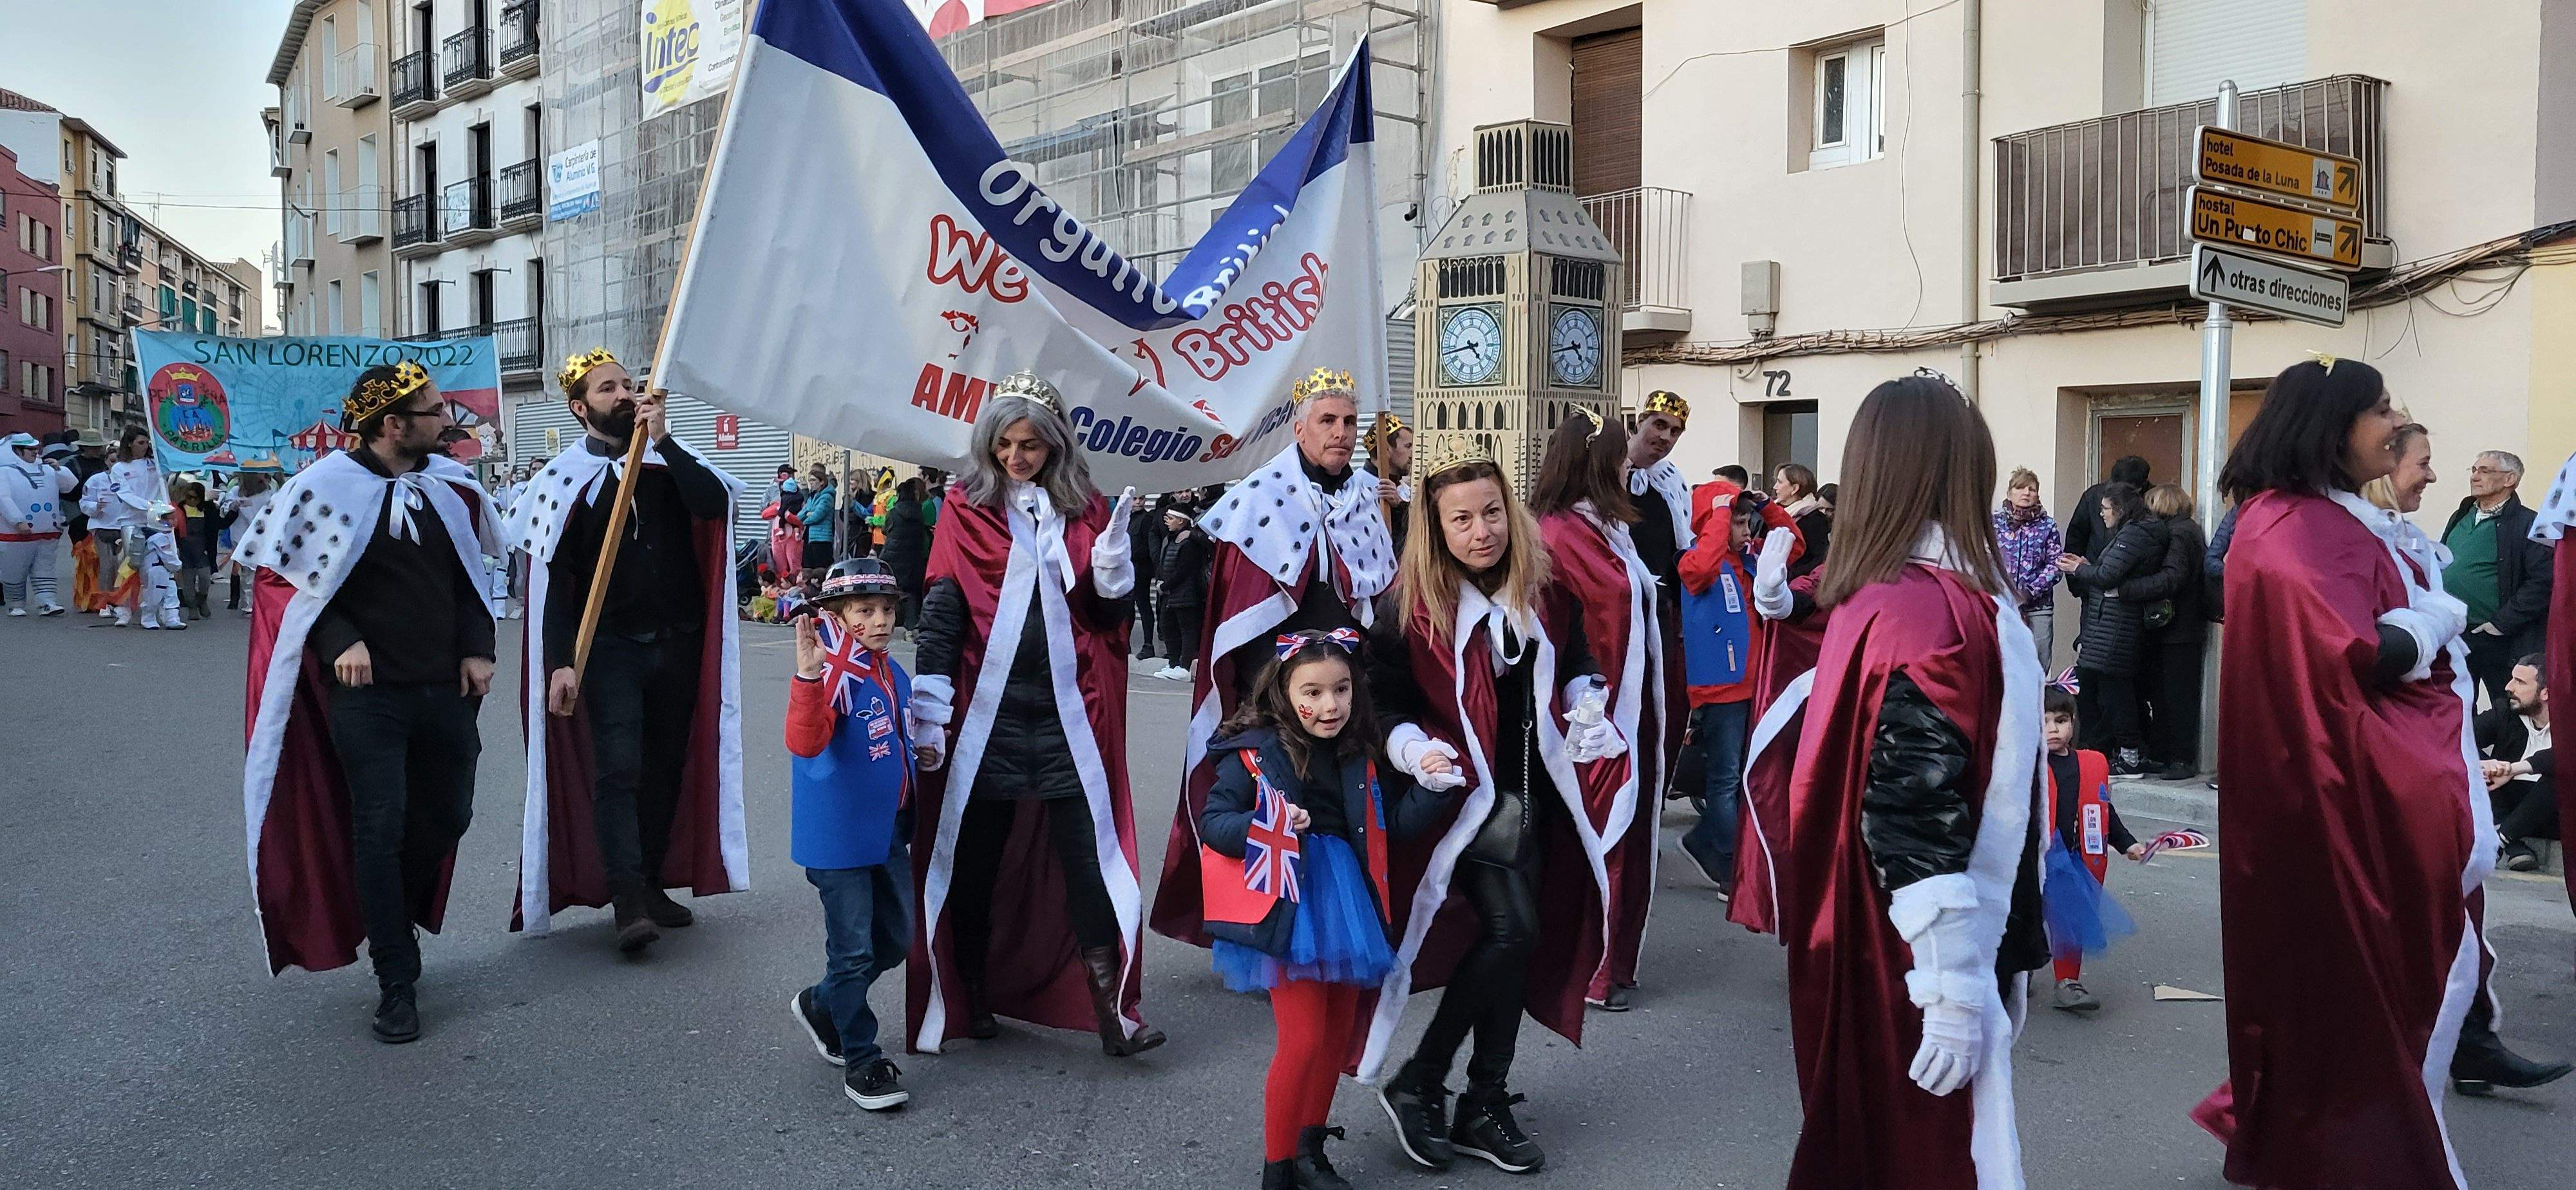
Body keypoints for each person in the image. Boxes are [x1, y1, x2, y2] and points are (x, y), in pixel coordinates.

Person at [2188, 356, 2493, 1190]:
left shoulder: (2325, 520)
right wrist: (2434, 616)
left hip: (2344, 796)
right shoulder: (2294, 530)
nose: (2396, 426)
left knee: (2353, 1007)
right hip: (2337, 808)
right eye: (2380, 410)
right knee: (2361, 1006)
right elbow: (2362, 655)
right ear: (2333, 425)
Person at [1775, 373, 2040, 1190]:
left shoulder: (1891, 593)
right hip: (1911, 951)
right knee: (1921, 1157)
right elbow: (1909, 809)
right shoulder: (1929, 609)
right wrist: (1953, 988)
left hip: (1874, 932)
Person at [1365, 443, 1620, 1177]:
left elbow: (1573, 659)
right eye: (1461, 519)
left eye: (1490, 513)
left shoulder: (1544, 588)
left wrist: (1584, 698)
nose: (1481, 531)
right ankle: (1424, 1079)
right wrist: (1411, 747)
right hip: (1457, 802)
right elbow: (1379, 698)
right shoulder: (1408, 605)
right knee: (1513, 931)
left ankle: (1481, 1100)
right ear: (1434, 528)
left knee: (1520, 944)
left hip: (1534, 794)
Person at [233, 361, 503, 1041]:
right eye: (436, 411)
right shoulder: (323, 488)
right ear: (393, 425)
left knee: (448, 814)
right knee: (376, 828)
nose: (450, 421)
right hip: (367, 697)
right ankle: (396, 977)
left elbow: (472, 577)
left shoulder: (451, 487)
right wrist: (339, 638)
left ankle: (390, 910)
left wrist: (479, 646)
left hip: (444, 690)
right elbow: (286, 581)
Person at [905, 370, 1160, 1057]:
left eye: (1031, 446)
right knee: (976, 859)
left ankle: (1110, 1010)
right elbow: (942, 607)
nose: (1016, 458)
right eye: (1005, 445)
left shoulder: (1087, 511)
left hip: (1067, 713)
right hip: (986, 716)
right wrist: (930, 700)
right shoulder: (965, 506)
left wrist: (1113, 580)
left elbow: (1108, 626)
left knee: (1088, 859)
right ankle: (975, 995)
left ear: (1056, 447)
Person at [510, 348, 749, 950]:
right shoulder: (561, 482)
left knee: (667, 765)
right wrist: (561, 660)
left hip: (676, 641)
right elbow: (553, 585)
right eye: (609, 388)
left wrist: (665, 442)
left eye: (629, 384)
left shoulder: (667, 463)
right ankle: (625, 899)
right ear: (579, 407)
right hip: (608, 647)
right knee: (619, 768)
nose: (625, 394)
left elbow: (715, 506)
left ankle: (649, 881)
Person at [1150, 368, 1397, 949]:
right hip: (1277, 694)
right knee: (1282, 809)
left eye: (1349, 422)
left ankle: (1343, 924)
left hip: (1345, 688)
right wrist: (1274, 694)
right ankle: (1267, 930)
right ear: (1300, 427)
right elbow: (1240, 610)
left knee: (1347, 809)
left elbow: (1375, 597)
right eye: (1328, 421)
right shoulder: (1263, 495)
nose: (1341, 433)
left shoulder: (1366, 496)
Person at [1198, 630, 1449, 1189]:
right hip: (1292, 902)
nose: (1329, 705)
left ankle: (1310, 1150)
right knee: (1305, 1038)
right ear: (1284, 692)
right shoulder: (1256, 750)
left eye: (1340, 690)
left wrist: (1434, 786)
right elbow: (1215, 822)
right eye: (1312, 692)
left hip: (1348, 901)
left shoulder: (1360, 751)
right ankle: (1278, 1167)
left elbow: (1395, 828)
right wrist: (1268, 827)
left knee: (1335, 1037)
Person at [1530, 409, 1674, 1013]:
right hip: (1591, 714)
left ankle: (1609, 961)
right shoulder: (1564, 531)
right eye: (1618, 455)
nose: (1628, 463)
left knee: (1627, 833)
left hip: (1624, 704)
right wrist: (1588, 703)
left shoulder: (1604, 526)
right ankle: (1587, 967)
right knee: (1600, 836)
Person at [782, 558, 920, 1112]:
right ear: (838, 615)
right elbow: (806, 741)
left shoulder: (891, 670)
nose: (881, 620)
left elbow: (895, 734)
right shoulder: (836, 669)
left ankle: (821, 1004)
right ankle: (861, 1058)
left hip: (886, 829)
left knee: (897, 939)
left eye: (887, 609)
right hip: (839, 836)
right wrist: (808, 678)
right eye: (865, 610)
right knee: (854, 949)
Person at [1674, 477, 1801, 898]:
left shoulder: (1748, 561)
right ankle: (1734, 870)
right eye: (1740, 523)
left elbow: (1793, 546)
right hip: (1721, 691)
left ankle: (1708, 845)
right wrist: (1722, 512)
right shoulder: (1697, 561)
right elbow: (1701, 567)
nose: (1749, 531)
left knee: (1742, 779)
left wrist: (1769, 510)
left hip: (1752, 685)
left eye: (1750, 523)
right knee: (1726, 783)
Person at [2036, 681, 2142, 1013]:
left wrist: (2127, 844)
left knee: (2070, 920)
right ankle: (2016, 973)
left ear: (2073, 723)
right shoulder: (2024, 764)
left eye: (2061, 721)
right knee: (2023, 919)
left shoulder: (2088, 764)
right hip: (2032, 859)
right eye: (2044, 721)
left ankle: (2068, 982)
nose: (2053, 729)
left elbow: (2103, 811)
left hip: (2071, 860)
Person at [2059, 482, 2161, 774]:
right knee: (2107, 690)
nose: (2101, 515)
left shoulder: (2135, 534)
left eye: (2104, 509)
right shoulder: (2133, 533)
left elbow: (2107, 575)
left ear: (2119, 508)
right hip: (2110, 625)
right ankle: (2115, 751)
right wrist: (2087, 563)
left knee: (2116, 692)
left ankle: (2130, 756)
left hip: (2118, 628)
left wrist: (2078, 569)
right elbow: (2108, 571)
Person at [2441, 449, 2553, 708]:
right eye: (2474, 470)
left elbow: (2542, 582)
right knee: (2455, 706)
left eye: (2485, 471)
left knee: (2507, 709)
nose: (2475, 477)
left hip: (2498, 637)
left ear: (2510, 479)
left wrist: (2500, 624)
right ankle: (2466, 751)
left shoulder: (2529, 524)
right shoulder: (2462, 515)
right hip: (2455, 633)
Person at [2121, 484, 2210, 780]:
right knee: (2166, 693)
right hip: (2181, 626)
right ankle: (2165, 755)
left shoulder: (2178, 534)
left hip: (2178, 627)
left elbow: (2172, 578)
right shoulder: (2187, 530)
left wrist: (2126, 590)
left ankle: (2179, 758)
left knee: (2174, 696)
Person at [2478, 656, 2557, 872]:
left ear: (2546, 692)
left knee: (2562, 775)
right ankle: (2509, 842)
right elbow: (2460, 739)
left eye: (2520, 682)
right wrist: (2486, 764)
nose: (2509, 687)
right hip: (2507, 808)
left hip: (2554, 816)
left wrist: (2514, 769)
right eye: (2512, 679)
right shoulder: (2505, 712)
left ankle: (2501, 838)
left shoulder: (2569, 719)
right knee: (2476, 768)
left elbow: (2562, 757)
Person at [1, 431, 77, 616]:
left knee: (45, 568)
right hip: (17, 534)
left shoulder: (49, 469)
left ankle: (47, 602)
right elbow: (4, 499)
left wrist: (60, 469)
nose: (35, 452)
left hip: (48, 530)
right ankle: (16, 603)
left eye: (36, 448)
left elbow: (70, 486)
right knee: (15, 569)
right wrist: (18, 521)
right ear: (17, 451)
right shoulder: (5, 472)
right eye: (30, 449)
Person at [1993, 468, 2061, 666]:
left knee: (2038, 664)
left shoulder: (2048, 526)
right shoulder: (1994, 524)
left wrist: (2029, 592)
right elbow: (1983, 560)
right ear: (2009, 493)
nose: (2026, 493)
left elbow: (2055, 566)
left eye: (2031, 489)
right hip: (2001, 605)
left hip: (2039, 608)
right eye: (2020, 488)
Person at [107, 427, 164, 625]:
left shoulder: (156, 464)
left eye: (147, 443)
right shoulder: (119, 468)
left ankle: (156, 609)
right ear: (129, 443)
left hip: (157, 518)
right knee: (130, 565)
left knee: (159, 566)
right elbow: (124, 495)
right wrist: (148, 506)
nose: (145, 446)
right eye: (140, 443)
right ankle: (123, 609)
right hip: (131, 520)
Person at [1155, 503, 1208, 681]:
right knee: (1168, 628)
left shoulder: (1190, 543)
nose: (1167, 522)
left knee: (1187, 631)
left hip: (1186, 594)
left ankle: (1185, 667)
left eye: (1170, 519)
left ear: (1181, 520)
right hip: (1171, 595)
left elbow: (1184, 571)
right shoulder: (1170, 539)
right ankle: (1173, 663)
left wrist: (1165, 586)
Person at [2065, 455, 2148, 561]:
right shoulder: (2094, 496)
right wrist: (2075, 573)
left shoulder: (2151, 499)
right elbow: (2076, 536)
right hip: (2094, 566)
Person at [174, 480, 231, 619]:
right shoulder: (179, 510)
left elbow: (220, 524)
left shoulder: (208, 509)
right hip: (185, 551)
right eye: (188, 497)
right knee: (188, 583)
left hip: (203, 551)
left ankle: (202, 600)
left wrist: (233, 512)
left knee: (205, 580)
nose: (191, 500)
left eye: (195, 497)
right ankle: (192, 607)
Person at [880, 477, 931, 627]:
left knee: (892, 590)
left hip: (893, 557)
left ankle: (892, 623)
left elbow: (885, 530)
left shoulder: (894, 512)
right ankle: (912, 625)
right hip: (914, 558)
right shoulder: (919, 513)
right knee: (912, 593)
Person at [222, 473, 276, 614]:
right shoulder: (236, 492)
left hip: (262, 535)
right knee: (247, 570)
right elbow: (226, 508)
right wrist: (233, 506)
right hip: (242, 536)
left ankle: (258, 601)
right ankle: (248, 602)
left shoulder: (268, 492)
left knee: (260, 570)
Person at [1365, 411, 1414, 554]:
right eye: (1408, 446)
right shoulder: (1360, 486)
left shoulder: (1404, 488)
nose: (1413, 453)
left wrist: (1400, 505)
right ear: (1386, 450)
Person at [1773, 463, 1832, 580]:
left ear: (1795, 488)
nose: (1775, 487)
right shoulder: (1773, 513)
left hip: (1795, 586)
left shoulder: (1814, 520)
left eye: (1779, 482)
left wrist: (1789, 574)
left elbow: (1820, 558)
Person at [136, 498, 187, 631]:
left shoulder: (160, 535)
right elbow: (168, 557)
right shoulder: (158, 538)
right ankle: (148, 618)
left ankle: (172, 618)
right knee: (154, 595)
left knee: (171, 594)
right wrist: (177, 565)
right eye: (169, 519)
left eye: (173, 518)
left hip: (163, 572)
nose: (173, 522)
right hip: (156, 572)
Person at [1130, 489, 1166, 662]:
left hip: (1141, 568)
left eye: (1141, 499)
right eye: (1135, 499)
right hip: (1129, 568)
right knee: (1129, 607)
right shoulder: (1127, 519)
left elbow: (1148, 546)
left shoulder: (1146, 519)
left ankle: (1148, 644)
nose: (1138, 502)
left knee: (1143, 604)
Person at [802, 464, 840, 572]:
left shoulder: (827, 495)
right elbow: (805, 511)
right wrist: (804, 515)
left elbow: (817, 515)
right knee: (808, 567)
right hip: (810, 535)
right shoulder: (813, 494)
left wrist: (803, 520)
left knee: (821, 568)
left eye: (813, 479)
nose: (811, 482)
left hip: (822, 537)